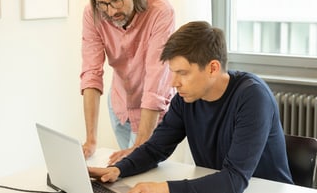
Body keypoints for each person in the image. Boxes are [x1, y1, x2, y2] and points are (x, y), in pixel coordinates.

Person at [88, 21, 294, 193]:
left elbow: (234, 180)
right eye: (173, 72)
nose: (174, 83)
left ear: (213, 68)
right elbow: (155, 149)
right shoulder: (186, 99)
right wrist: (118, 170)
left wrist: (165, 189)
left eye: (183, 73)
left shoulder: (252, 97)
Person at [80, 0, 175, 164]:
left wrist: (140, 147)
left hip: (153, 110)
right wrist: (91, 140)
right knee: (127, 176)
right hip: (120, 107)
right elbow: (91, 73)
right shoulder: (93, 14)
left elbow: (156, 82)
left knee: (143, 169)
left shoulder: (160, 11)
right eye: (103, 4)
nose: (112, 10)